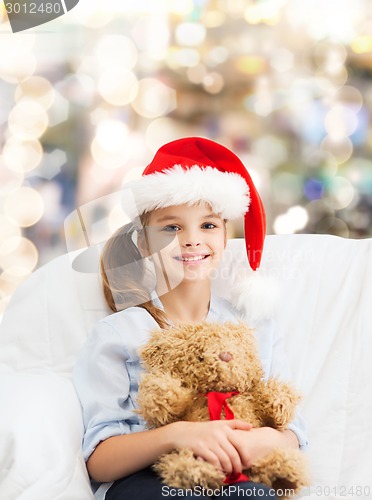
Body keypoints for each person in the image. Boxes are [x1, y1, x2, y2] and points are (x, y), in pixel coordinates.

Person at [73, 137, 308, 500]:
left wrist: (263, 440)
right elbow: (99, 460)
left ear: (226, 234)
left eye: (209, 225)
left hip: (238, 483)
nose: (192, 240)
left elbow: (293, 434)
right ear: (144, 244)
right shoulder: (120, 333)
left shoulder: (255, 326)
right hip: (151, 484)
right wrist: (180, 434)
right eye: (171, 227)